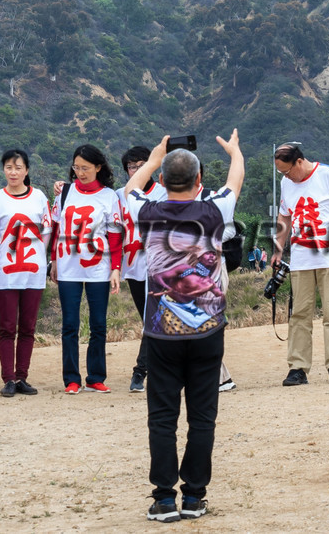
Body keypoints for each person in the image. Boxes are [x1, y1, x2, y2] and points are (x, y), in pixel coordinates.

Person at [128, 131, 244, 522]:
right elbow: (235, 178)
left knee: (162, 417)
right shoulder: (215, 209)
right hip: (208, 330)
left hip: (161, 332)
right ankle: (194, 497)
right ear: (199, 181)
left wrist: (153, 158)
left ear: (161, 181)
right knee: (202, 417)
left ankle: (164, 499)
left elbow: (130, 188)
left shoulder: (146, 211)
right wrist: (234, 151)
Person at [273, 142, 329, 386]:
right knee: (299, 314)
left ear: (299, 161)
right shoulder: (286, 183)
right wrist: (278, 248)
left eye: (287, 170)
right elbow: (284, 215)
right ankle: (298, 368)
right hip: (301, 258)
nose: (286, 176)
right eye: (281, 172)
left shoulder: (328, 175)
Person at [51, 143, 124, 394]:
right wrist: (54, 261)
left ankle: (96, 377)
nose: (80, 173)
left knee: (98, 324)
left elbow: (115, 236)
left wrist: (116, 268)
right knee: (70, 324)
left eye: (86, 168)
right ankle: (71, 379)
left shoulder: (109, 196)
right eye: (77, 167)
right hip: (68, 267)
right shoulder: (64, 193)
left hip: (98, 268)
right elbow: (56, 229)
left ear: (98, 167)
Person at [0, 149, 52, 397]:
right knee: (6, 327)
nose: (13, 172)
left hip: (33, 271)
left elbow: (46, 230)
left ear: (26, 170)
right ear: (3, 170)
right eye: (8, 167)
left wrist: (39, 255)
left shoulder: (38, 197)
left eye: (18, 167)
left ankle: (22, 376)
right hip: (5, 271)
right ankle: (8, 378)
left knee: (28, 327)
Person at [118, 145, 161, 393]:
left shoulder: (164, 192)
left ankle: (140, 371)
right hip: (133, 267)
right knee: (149, 320)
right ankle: (156, 368)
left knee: (154, 320)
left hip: (161, 267)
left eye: (141, 165)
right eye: (131, 167)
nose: (136, 170)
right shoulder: (119, 195)